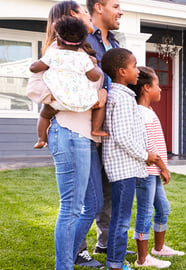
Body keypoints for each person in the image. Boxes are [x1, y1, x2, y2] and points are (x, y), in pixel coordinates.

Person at [30, 1, 107, 269]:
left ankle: (71, 255)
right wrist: (71, 100)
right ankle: (64, 265)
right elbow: (36, 89)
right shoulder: (56, 51)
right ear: (73, 16)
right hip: (69, 131)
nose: (89, 16)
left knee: (93, 203)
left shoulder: (82, 50)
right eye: (85, 12)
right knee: (71, 208)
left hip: (87, 135)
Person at [101, 48, 162, 270]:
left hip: (124, 167)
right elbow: (123, 136)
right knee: (122, 220)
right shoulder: (123, 99)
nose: (137, 71)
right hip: (123, 168)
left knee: (120, 218)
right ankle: (115, 263)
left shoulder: (121, 95)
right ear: (121, 71)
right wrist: (146, 155)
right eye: (134, 66)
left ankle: (114, 260)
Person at [81, 0, 125, 257]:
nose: (120, 11)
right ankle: (78, 249)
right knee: (88, 193)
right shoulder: (82, 37)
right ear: (99, 6)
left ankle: (105, 243)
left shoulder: (116, 44)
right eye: (116, 5)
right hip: (86, 126)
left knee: (109, 189)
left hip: (112, 127)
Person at [128, 66, 184, 267]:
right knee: (145, 212)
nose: (160, 90)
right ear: (145, 88)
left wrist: (161, 168)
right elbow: (149, 145)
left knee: (163, 208)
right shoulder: (141, 113)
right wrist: (164, 167)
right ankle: (142, 259)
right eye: (157, 85)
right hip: (146, 171)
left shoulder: (147, 110)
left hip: (153, 171)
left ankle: (158, 248)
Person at [29, 15, 106, 149]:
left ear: (58, 41)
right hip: (81, 101)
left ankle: (41, 139)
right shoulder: (84, 58)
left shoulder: (53, 54)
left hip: (57, 100)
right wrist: (94, 65)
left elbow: (34, 68)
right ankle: (96, 128)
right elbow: (94, 77)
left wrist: (42, 63)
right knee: (100, 102)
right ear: (82, 43)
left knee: (44, 114)